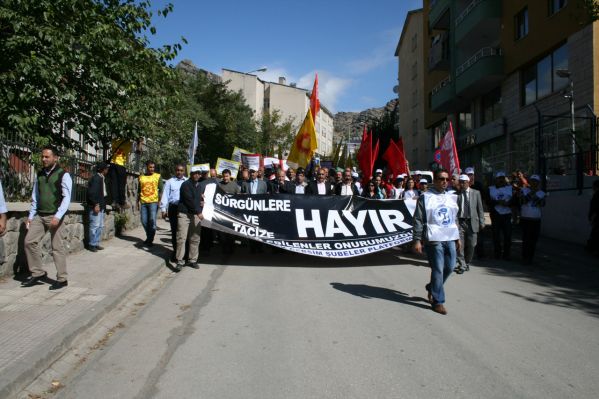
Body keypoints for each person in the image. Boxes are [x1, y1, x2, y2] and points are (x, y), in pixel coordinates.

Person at [22, 146, 72, 290]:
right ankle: (38, 272)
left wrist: (58, 216)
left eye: (47, 157)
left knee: (57, 247)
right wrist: (31, 216)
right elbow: (35, 196)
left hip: (55, 216)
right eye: (42, 156)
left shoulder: (63, 175)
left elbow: (66, 198)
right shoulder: (40, 174)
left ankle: (62, 279)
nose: (43, 159)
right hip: (40, 215)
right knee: (29, 242)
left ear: (55, 158)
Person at [412, 169, 461, 315]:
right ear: (435, 181)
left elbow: (454, 219)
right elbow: (418, 219)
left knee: (451, 266)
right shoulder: (425, 197)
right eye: (441, 179)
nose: (444, 181)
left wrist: (458, 237)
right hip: (433, 238)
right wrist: (417, 240)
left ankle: (432, 287)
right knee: (438, 268)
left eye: (447, 179)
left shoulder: (452, 197)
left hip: (450, 237)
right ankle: (438, 301)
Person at [455, 174, 485, 274]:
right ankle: (462, 264)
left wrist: (482, 221)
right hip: (460, 222)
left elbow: (480, 209)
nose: (462, 184)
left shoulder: (476, 193)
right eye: (460, 182)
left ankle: (467, 262)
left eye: (464, 182)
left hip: (472, 222)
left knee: (472, 244)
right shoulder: (456, 194)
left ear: (468, 183)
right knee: (460, 245)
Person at [176, 166, 204, 270]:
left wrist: (202, 201)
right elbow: (189, 201)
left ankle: (193, 260)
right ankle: (180, 261)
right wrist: (198, 212)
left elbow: (198, 200)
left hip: (195, 215)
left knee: (195, 238)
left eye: (198, 173)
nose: (197, 175)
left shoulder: (199, 186)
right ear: (191, 174)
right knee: (181, 238)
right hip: (185, 214)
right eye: (195, 173)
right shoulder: (185, 185)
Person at [160, 164, 187, 260]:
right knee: (175, 232)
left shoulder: (187, 181)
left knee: (183, 232)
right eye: (177, 170)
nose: (179, 172)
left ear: (184, 171)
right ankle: (175, 253)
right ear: (175, 171)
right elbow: (165, 196)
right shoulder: (169, 182)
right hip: (173, 208)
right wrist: (163, 209)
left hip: (184, 209)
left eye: (181, 170)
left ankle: (184, 254)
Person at [520, 175, 546, 265]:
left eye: (536, 181)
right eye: (532, 181)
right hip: (525, 218)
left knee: (533, 240)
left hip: (536, 219)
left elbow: (541, 203)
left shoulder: (542, 193)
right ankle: (524, 257)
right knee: (526, 239)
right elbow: (523, 201)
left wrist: (533, 196)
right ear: (529, 182)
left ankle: (530, 257)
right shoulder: (523, 190)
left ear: (538, 183)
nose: (534, 183)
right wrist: (532, 193)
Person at [489, 171, 513, 260]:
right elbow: (488, 202)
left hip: (507, 214)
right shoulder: (491, 189)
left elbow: (515, 201)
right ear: (496, 180)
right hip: (496, 214)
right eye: (499, 178)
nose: (501, 180)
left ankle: (506, 254)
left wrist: (508, 203)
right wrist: (498, 202)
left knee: (508, 235)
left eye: (502, 178)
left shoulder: (510, 188)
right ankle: (497, 253)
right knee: (496, 235)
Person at [138, 161, 163, 247]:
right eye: (150, 167)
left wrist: (159, 201)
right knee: (144, 221)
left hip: (153, 202)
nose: (152, 169)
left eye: (153, 167)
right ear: (147, 167)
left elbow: (161, 190)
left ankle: (150, 240)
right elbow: (139, 190)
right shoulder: (141, 177)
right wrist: (137, 202)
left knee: (152, 222)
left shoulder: (157, 176)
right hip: (143, 202)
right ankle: (149, 237)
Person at [87, 162, 110, 252]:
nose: (107, 170)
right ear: (102, 169)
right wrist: (95, 204)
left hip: (101, 205)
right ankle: (92, 244)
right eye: (106, 169)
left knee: (100, 226)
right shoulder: (96, 178)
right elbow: (92, 193)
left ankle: (96, 243)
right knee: (95, 226)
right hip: (96, 206)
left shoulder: (101, 178)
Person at [108, 139, 131, 208]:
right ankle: (122, 202)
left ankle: (115, 201)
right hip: (121, 165)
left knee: (114, 184)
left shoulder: (114, 141)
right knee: (121, 184)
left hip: (112, 164)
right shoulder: (128, 142)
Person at [587, 180, 599, 256]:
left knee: (596, 234)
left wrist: (593, 218)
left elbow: (595, 208)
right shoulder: (596, 195)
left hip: (597, 218)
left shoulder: (597, 195)